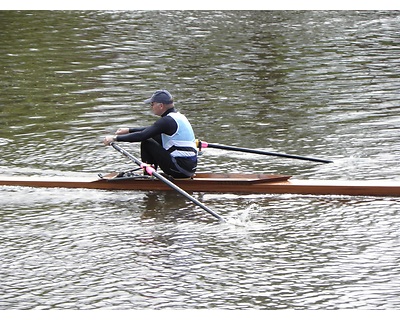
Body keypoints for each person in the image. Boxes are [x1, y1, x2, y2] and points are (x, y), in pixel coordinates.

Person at [103, 89, 198, 179]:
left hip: (179, 170)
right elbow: (151, 130)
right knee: (154, 136)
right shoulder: (178, 117)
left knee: (146, 141)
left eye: (152, 104)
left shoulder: (167, 121)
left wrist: (115, 138)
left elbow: (142, 135)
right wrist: (129, 130)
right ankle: (151, 172)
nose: (151, 107)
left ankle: (148, 175)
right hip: (189, 169)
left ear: (161, 106)